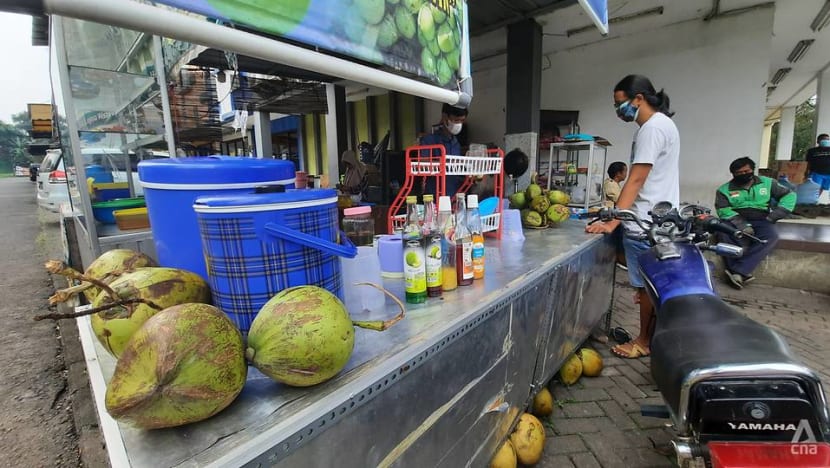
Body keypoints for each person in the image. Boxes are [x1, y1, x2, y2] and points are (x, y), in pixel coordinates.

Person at [586, 75, 680, 360]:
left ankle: (643, 342)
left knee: (646, 287)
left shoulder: (652, 129)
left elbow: (637, 178)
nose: (618, 110)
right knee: (651, 285)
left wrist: (614, 219)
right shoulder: (664, 124)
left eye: (620, 103)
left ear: (638, 98)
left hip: (644, 221)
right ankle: (655, 336)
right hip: (660, 217)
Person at [715, 157, 795, 289]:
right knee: (723, 232)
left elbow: (789, 195)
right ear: (733, 174)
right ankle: (740, 272)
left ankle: (737, 271)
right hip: (735, 218)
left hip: (762, 218)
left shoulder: (768, 183)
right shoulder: (724, 190)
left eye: (746, 171)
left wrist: (775, 215)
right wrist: (742, 225)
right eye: (739, 173)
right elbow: (723, 210)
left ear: (752, 170)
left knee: (771, 237)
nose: (743, 174)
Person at [421, 103, 468, 196]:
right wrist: (443, 162)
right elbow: (423, 165)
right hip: (434, 197)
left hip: (454, 196)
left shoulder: (455, 143)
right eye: (456, 120)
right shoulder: (429, 140)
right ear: (445, 117)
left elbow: (455, 171)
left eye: (462, 121)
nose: (459, 124)